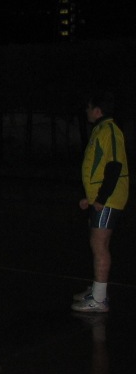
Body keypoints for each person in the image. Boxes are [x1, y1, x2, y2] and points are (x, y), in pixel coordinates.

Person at [72, 92, 128, 314]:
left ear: (97, 110)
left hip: (109, 199)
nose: (86, 111)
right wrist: (91, 197)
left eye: (89, 107)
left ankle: (99, 299)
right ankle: (97, 290)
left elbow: (114, 166)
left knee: (99, 245)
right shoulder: (101, 130)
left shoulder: (110, 131)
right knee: (97, 243)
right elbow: (97, 167)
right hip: (102, 197)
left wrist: (102, 199)